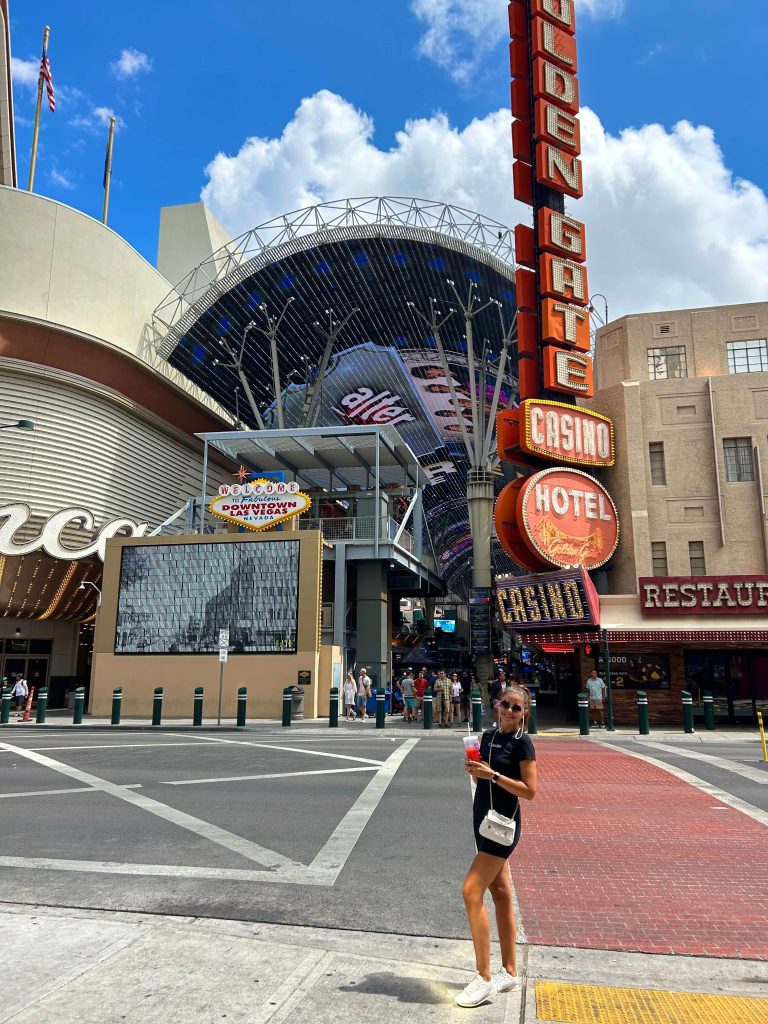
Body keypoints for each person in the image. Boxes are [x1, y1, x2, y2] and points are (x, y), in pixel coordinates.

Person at [456, 682, 537, 1008]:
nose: (509, 710)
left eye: (516, 707)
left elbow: (529, 791)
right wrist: (475, 771)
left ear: (524, 714)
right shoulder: (487, 738)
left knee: (471, 891)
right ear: (497, 705)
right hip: (483, 821)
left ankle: (484, 977)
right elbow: (481, 780)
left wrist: (492, 776)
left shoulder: (523, 744)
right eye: (506, 704)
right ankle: (510, 971)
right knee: (501, 894)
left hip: (502, 828)